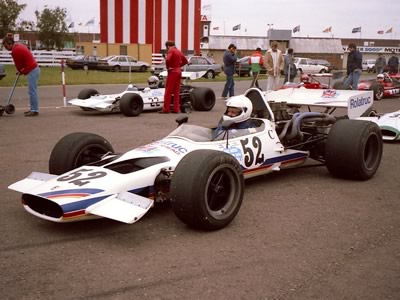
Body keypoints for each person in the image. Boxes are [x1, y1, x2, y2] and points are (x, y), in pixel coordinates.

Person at [2, 33, 40, 116]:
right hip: (33, 68)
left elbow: (18, 65)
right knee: (32, 91)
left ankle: (34, 110)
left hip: (32, 69)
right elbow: (23, 62)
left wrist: (20, 71)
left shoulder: (16, 51)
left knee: (32, 91)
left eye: (6, 46)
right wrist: (21, 71)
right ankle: (33, 108)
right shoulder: (18, 46)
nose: (6, 48)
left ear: (10, 44)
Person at [159, 40, 188, 114]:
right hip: (178, 72)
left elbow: (168, 59)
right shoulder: (178, 51)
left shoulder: (171, 51)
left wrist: (168, 67)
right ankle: (176, 108)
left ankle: (166, 109)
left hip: (172, 72)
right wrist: (178, 66)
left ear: (168, 46)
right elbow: (185, 61)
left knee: (168, 91)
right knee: (176, 91)